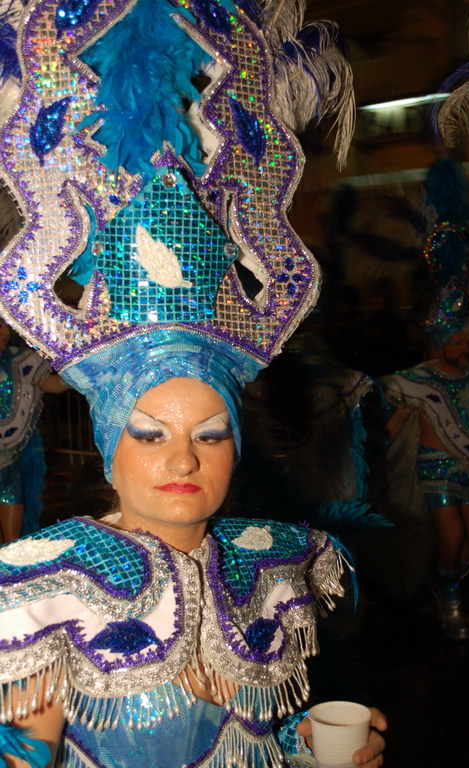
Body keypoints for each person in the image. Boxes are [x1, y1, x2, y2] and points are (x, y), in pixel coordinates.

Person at [0, 0, 386, 765]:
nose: (183, 462)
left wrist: (306, 747)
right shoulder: (45, 589)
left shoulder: (272, 562)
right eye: (151, 434)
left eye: (209, 436)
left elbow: (252, 740)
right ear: (109, 444)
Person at [381, 159, 469, 639]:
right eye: (454, 341)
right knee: (452, 537)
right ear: (436, 343)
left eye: (465, 340)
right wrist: (390, 422)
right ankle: (449, 602)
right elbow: (390, 432)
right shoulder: (411, 381)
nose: (463, 347)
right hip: (434, 470)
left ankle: (443, 581)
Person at [0, 319, 69, 543]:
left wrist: (85, 374)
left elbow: (54, 385)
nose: (4, 331)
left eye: (5, 324)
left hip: (9, 467)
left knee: (13, 543)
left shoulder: (17, 361)